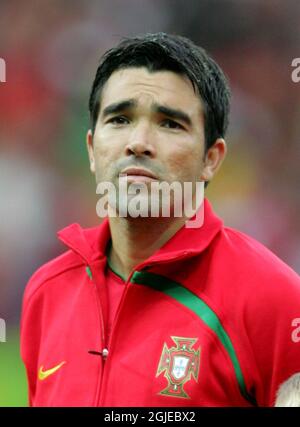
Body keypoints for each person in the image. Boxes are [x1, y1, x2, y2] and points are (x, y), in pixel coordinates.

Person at [21, 32, 300, 407]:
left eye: (170, 124)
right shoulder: (47, 291)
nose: (138, 142)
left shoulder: (276, 301)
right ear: (91, 149)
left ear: (211, 159)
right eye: (119, 119)